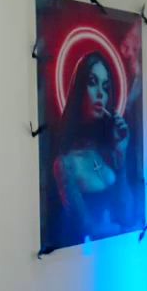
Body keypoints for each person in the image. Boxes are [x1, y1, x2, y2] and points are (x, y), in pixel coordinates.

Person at [51, 51, 134, 243]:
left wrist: (121, 156)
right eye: (92, 82)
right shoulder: (66, 164)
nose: (100, 94)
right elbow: (86, 228)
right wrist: (122, 229)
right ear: (80, 89)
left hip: (122, 252)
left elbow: (128, 214)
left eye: (105, 87)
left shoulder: (109, 152)